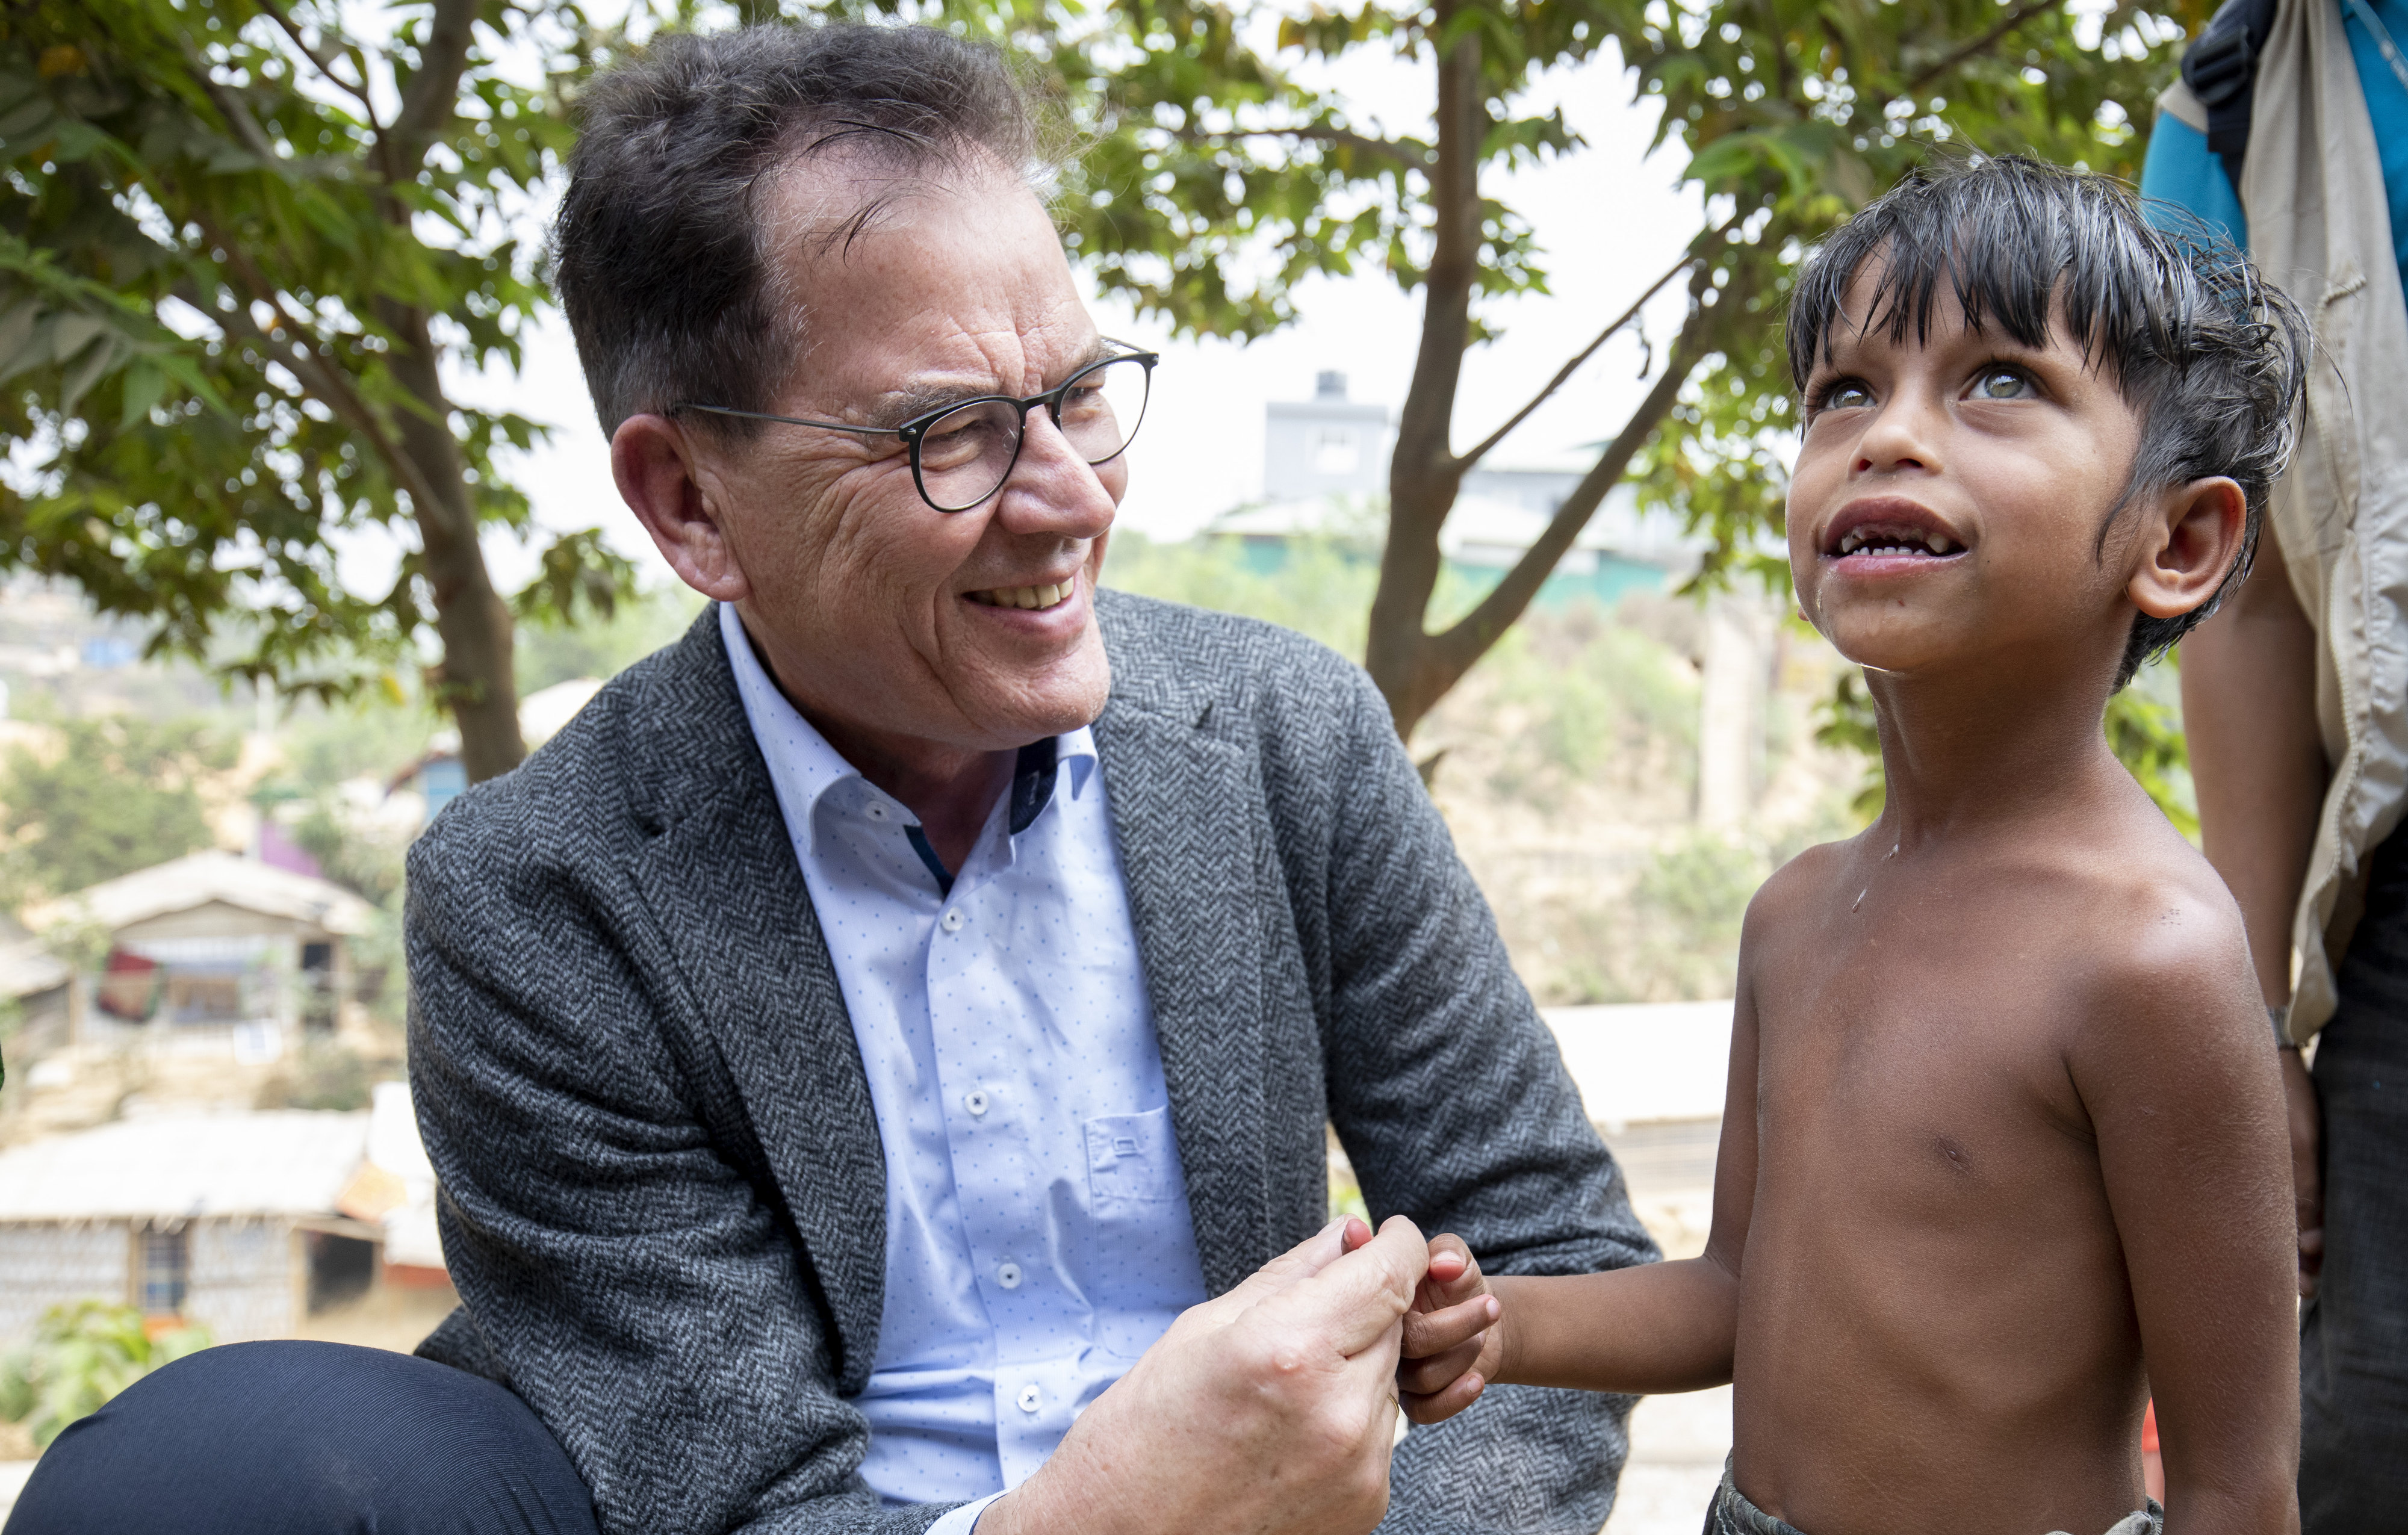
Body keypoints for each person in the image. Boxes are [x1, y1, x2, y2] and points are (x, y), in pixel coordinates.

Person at [3, 20, 1658, 1535]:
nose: (1072, 498)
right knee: (204, 1472)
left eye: (1080, 393)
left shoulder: (1282, 736)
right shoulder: (544, 893)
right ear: (691, 503)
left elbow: (1553, 1259)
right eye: (951, 432)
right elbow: (721, 1490)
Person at [1395, 158, 2308, 1535]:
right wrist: (1496, 1323)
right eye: (1842, 391)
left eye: (1997, 380)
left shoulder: (2151, 957)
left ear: (2176, 539)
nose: (1886, 434)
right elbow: (1735, 1294)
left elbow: (2237, 1481)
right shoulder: (1796, 912)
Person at [2143, 0, 2408, 1526]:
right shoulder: (2232, 102)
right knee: (2363, 1443)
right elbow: (2236, 601)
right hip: (2394, 891)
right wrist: (2260, 1033)